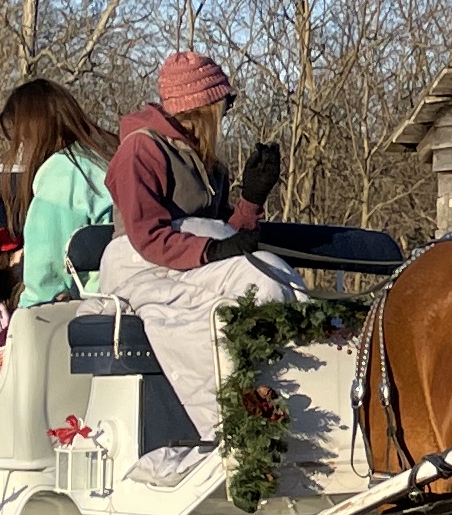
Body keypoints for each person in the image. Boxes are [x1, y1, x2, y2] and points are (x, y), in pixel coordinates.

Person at [91, 50, 303, 463]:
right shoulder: (141, 152)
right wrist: (214, 250)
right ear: (204, 106)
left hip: (192, 263)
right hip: (145, 266)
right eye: (223, 103)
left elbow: (229, 237)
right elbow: (147, 235)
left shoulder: (206, 161)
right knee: (200, 320)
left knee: (271, 277)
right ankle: (228, 431)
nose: (226, 112)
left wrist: (252, 198)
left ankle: (282, 408)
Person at [1, 76, 115, 308]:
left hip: (95, 310)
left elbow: (46, 274)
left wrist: (27, 313)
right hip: (128, 297)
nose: (22, 150)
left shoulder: (62, 173)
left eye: (21, 139)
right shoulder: (103, 158)